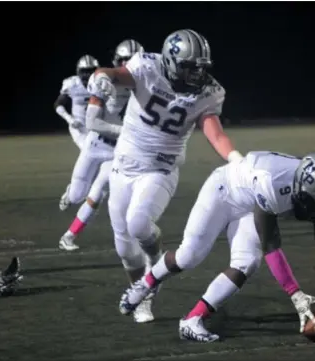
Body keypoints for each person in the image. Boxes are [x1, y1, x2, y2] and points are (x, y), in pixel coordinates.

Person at [91, 29, 243, 323]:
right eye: (190, 67)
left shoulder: (208, 92)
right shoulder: (146, 67)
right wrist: (100, 78)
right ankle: (140, 287)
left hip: (160, 168)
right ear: (172, 62)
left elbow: (215, 132)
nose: (198, 74)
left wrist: (235, 158)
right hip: (123, 166)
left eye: (201, 67)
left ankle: (152, 273)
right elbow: (110, 73)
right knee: (124, 246)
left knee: (138, 224)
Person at [119, 151, 315, 342]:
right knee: (188, 256)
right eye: (312, 204)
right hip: (224, 191)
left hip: (249, 205)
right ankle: (145, 284)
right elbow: (270, 245)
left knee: (246, 262)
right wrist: (295, 295)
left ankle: (192, 320)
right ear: (300, 187)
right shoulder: (273, 182)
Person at [59, 39, 143, 252]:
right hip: (95, 144)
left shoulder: (148, 86)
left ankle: (69, 235)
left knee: (99, 192)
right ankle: (71, 192)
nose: (128, 66)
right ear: (117, 61)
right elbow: (92, 122)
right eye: (124, 60)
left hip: (117, 151)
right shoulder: (105, 79)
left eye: (133, 60)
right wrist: (126, 132)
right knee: (77, 195)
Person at [54, 55, 100, 151]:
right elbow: (58, 104)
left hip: (98, 127)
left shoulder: (103, 83)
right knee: (88, 150)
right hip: (79, 128)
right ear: (78, 71)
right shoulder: (72, 84)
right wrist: (70, 119)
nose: (87, 75)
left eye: (91, 71)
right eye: (85, 71)